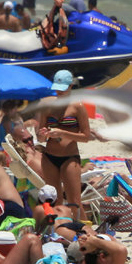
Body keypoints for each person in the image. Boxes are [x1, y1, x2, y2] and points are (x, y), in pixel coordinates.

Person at [37, 72, 91, 222]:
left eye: (63, 89)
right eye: (57, 89)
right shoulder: (47, 106)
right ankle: (59, 231)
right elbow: (39, 137)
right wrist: (42, 134)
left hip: (69, 157)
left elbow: (86, 137)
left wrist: (63, 133)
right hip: (49, 156)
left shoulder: (78, 107)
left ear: (71, 86)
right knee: (55, 201)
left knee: (75, 201)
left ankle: (87, 231)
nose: (59, 92)